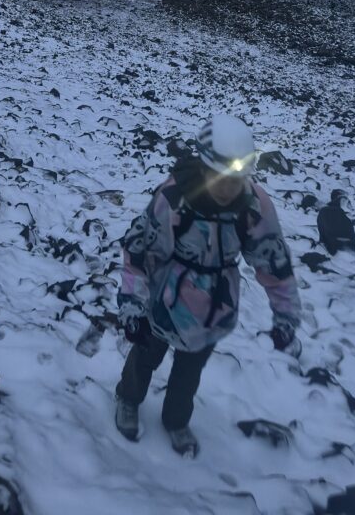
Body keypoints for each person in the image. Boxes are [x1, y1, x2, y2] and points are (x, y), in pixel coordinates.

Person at [115, 113, 301, 457]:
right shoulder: (173, 199)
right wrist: (132, 304)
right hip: (163, 302)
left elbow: (273, 263)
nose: (229, 187)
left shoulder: (253, 207)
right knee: (145, 355)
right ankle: (128, 397)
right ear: (203, 166)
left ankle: (176, 419)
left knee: (189, 371)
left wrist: (285, 316)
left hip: (213, 308)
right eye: (221, 177)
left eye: (238, 178)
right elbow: (139, 252)